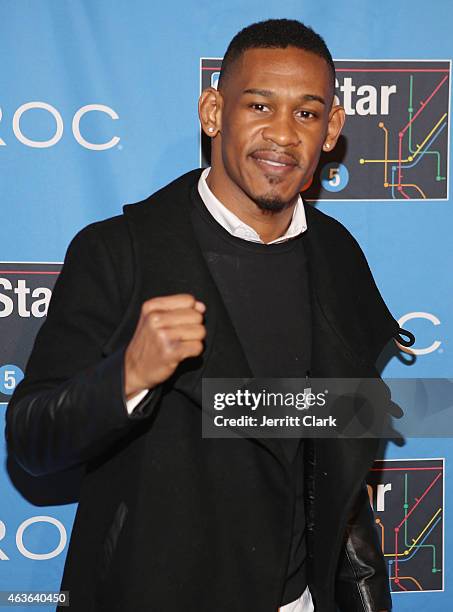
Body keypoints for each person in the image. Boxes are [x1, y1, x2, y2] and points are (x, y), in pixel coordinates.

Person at [5, 18, 413, 612]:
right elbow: (31, 440)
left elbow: (335, 466)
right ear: (214, 112)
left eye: (306, 113)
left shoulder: (338, 255)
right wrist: (127, 377)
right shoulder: (119, 251)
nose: (282, 135)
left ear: (332, 130)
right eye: (259, 105)